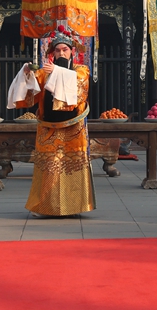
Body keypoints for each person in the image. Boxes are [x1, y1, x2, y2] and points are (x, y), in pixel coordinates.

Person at [8, 25, 95, 217]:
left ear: (72, 51)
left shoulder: (81, 70)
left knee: (71, 167)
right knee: (49, 167)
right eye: (58, 50)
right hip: (48, 128)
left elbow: (78, 87)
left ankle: (74, 206)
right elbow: (32, 95)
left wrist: (56, 70)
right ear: (52, 52)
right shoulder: (45, 71)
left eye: (65, 49)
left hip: (73, 128)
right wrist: (27, 74)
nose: (61, 52)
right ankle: (44, 206)